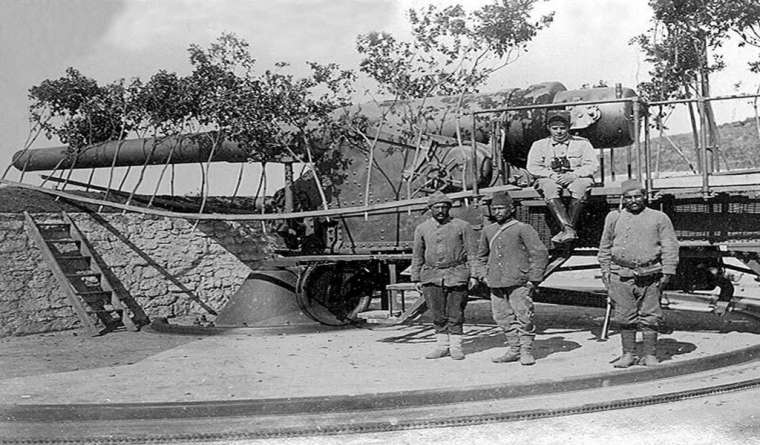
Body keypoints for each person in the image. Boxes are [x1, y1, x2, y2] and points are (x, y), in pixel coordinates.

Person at [598, 179, 679, 367]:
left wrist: (668, 271)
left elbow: (670, 246)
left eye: (637, 196)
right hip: (621, 274)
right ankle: (628, 355)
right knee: (625, 316)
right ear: (623, 199)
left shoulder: (659, 218)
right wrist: (605, 270)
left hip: (650, 275)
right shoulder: (613, 217)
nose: (633, 200)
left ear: (644, 196)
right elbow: (605, 246)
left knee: (650, 315)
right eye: (628, 197)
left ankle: (650, 355)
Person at [477, 191, 549, 365]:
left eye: (501, 208)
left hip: (519, 281)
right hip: (496, 282)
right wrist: (483, 275)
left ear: (511, 209)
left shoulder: (523, 228)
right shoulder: (488, 230)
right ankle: (514, 349)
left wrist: (534, 278)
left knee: (524, 316)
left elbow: (540, 253)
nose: (498, 212)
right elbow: (481, 257)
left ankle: (526, 351)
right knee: (502, 317)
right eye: (495, 209)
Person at [411, 191, 478, 360]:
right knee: (437, 313)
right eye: (436, 207)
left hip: (456, 274)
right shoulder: (422, 228)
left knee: (456, 312)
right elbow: (417, 255)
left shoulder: (462, 226)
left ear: (449, 208)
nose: (440, 210)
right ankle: (441, 346)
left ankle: (456, 347)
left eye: (444, 207)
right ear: (430, 209)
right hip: (431, 275)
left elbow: (472, 253)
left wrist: (474, 275)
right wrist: (416, 278)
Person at [526, 110, 599, 244]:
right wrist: (551, 175)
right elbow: (533, 167)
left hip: (577, 176)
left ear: (569, 128)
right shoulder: (539, 145)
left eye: (562, 128)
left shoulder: (582, 143)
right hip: (549, 177)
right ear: (548, 128)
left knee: (581, 187)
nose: (559, 132)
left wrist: (574, 175)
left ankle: (566, 230)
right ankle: (569, 229)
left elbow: (592, 165)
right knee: (549, 188)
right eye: (555, 128)